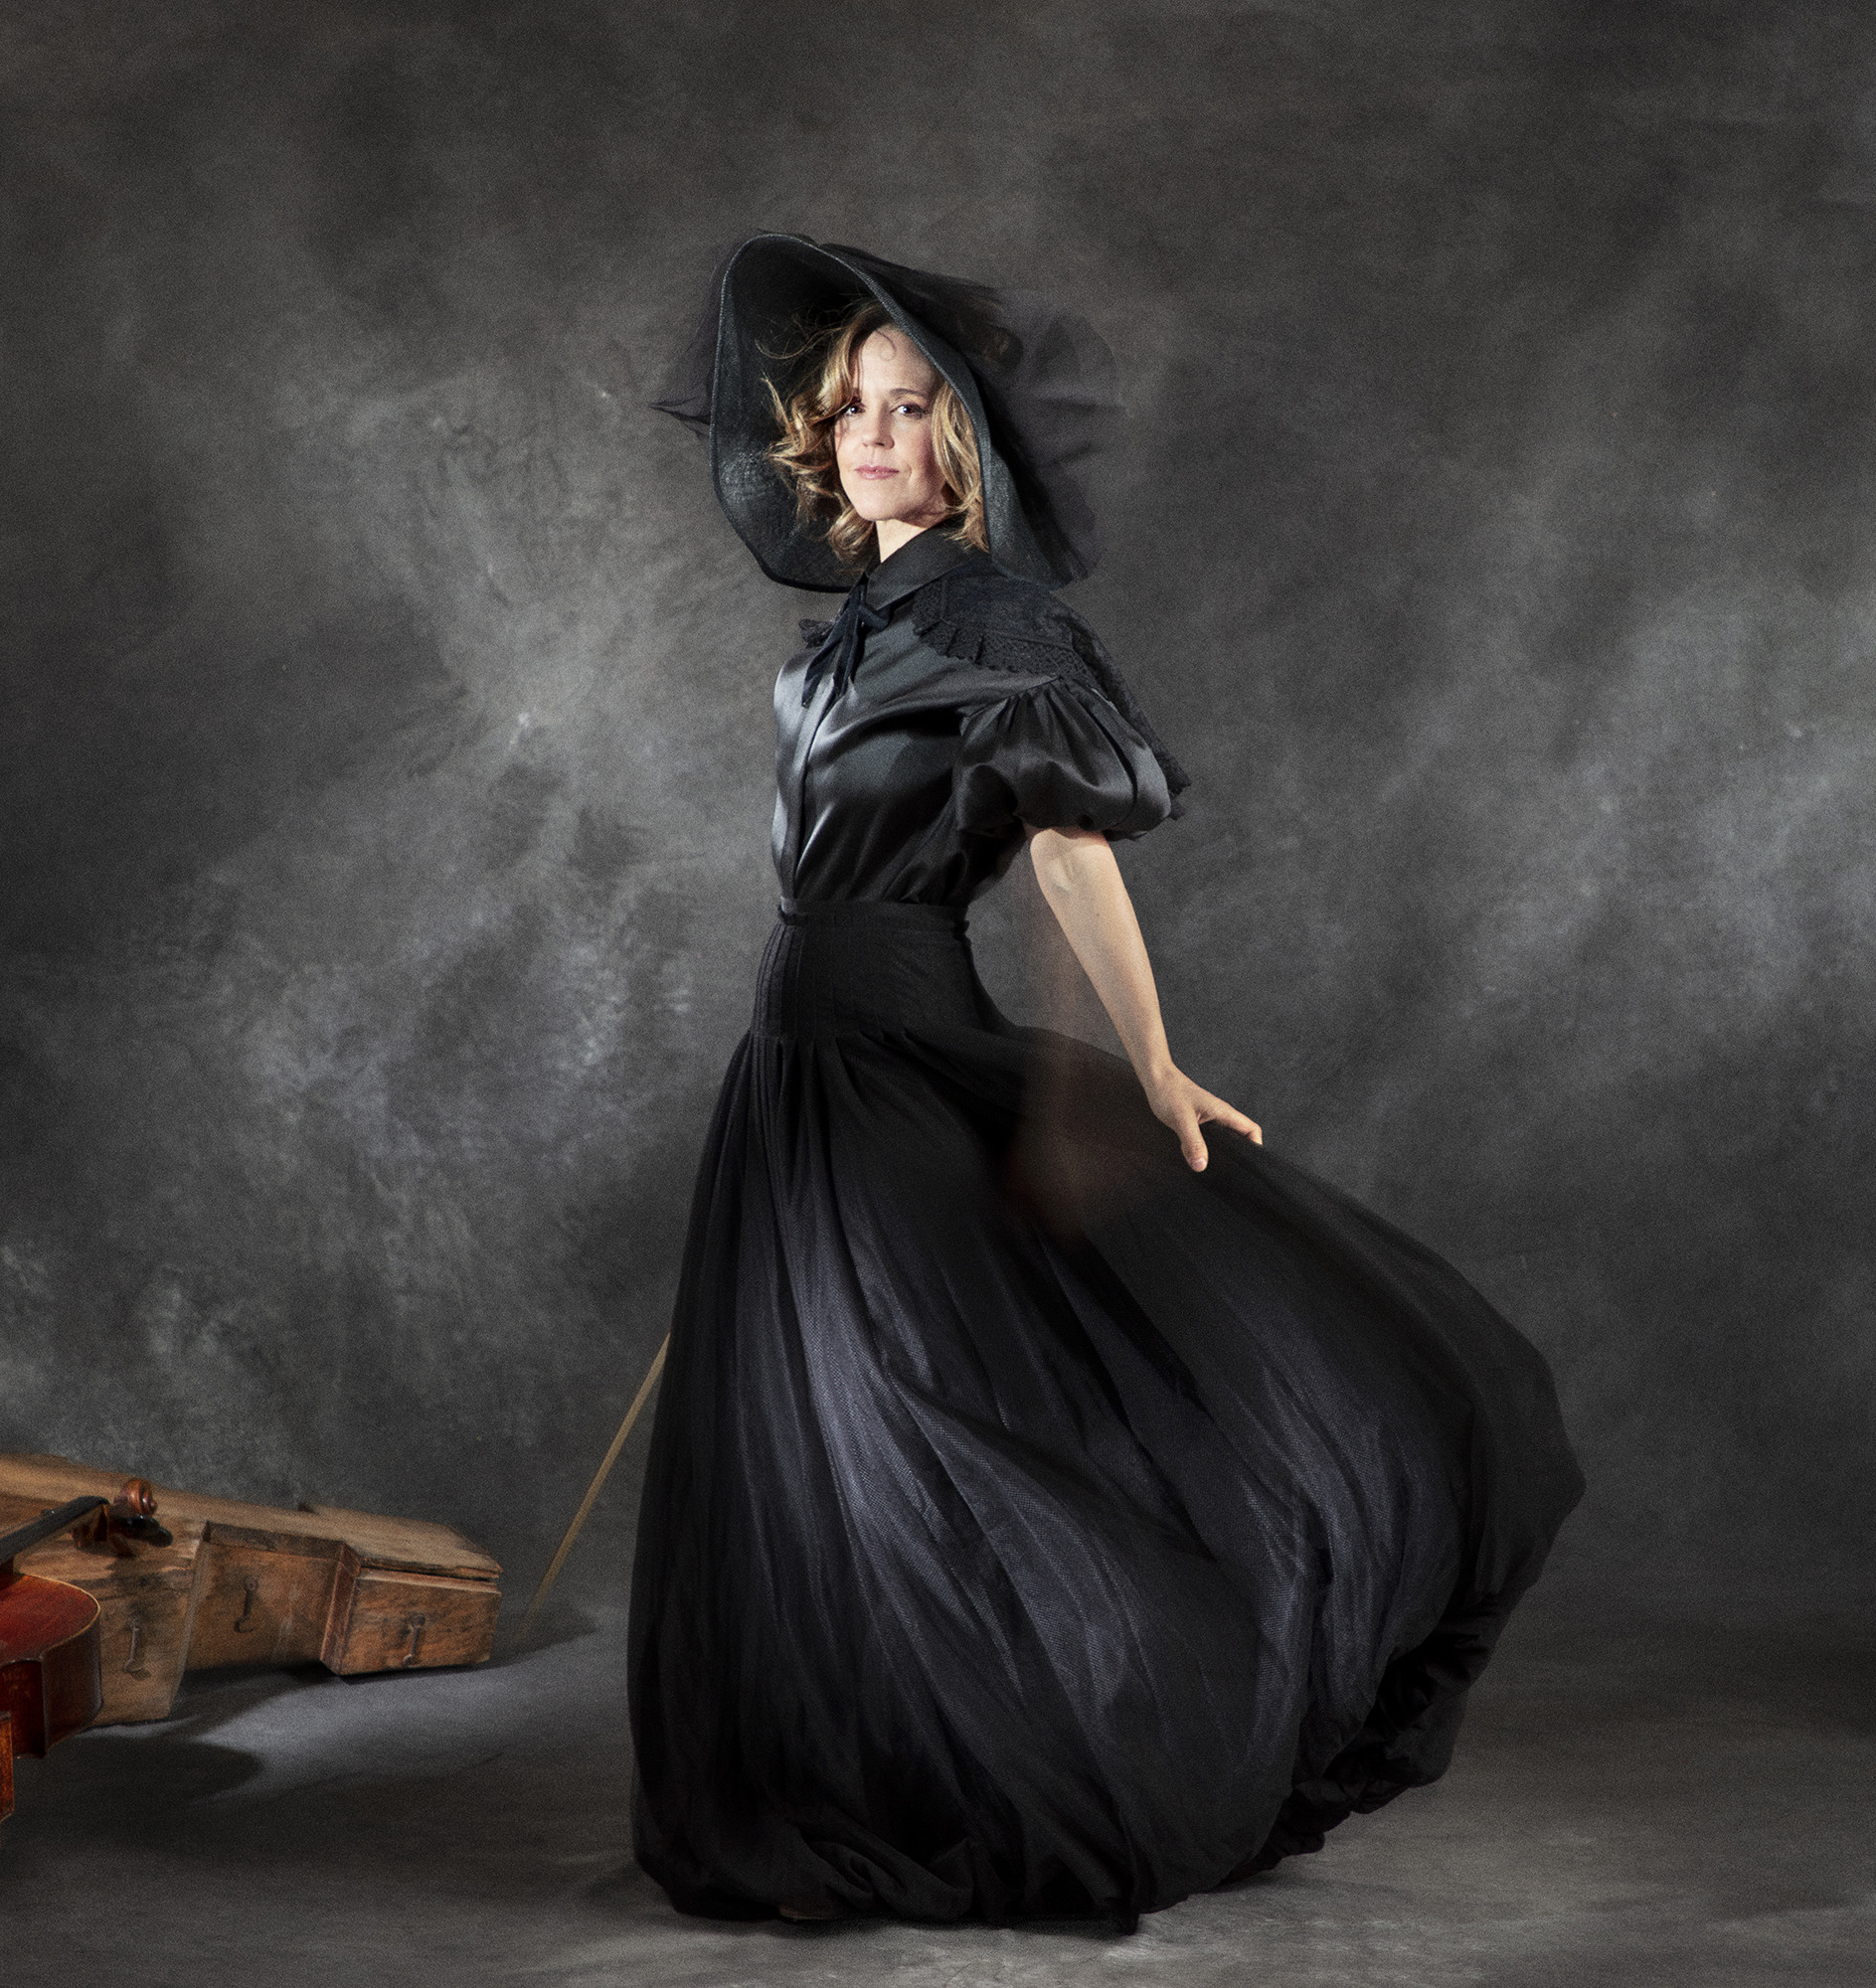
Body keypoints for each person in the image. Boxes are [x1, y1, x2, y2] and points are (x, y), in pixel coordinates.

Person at [627, 233, 1583, 1929]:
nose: (871, 434)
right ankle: (872, 1763)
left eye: (910, 408)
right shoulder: (849, 632)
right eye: (853, 407)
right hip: (794, 1073)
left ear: (964, 445)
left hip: (893, 1050)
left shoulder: (996, 623)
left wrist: (1148, 1063)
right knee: (814, 1431)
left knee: (917, 1412)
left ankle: (1066, 1741)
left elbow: (1070, 852)